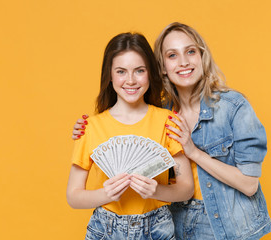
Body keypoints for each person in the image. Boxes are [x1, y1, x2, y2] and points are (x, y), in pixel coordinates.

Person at [72, 23, 271, 240]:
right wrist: (88, 128)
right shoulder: (162, 112)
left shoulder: (233, 107)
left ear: (202, 57)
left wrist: (194, 152)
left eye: (190, 51)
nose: (184, 62)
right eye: (172, 55)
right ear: (162, 67)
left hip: (224, 222)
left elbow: (249, 185)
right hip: (174, 221)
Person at [66, 32, 194, 240]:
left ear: (150, 73)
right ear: (109, 75)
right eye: (121, 71)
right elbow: (73, 196)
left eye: (139, 71)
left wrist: (156, 191)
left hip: (157, 228)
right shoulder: (90, 128)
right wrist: (105, 195)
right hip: (106, 228)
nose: (131, 80)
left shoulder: (167, 122)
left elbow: (186, 189)